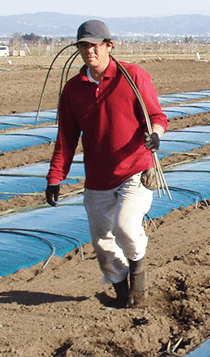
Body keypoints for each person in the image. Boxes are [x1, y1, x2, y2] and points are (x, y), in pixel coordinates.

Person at [46, 20, 168, 309]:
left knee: (126, 228)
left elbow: (157, 116)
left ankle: (138, 274)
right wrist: (55, 177)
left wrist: (155, 135)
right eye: (84, 46)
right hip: (98, 177)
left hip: (135, 169)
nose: (90, 51)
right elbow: (65, 137)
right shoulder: (74, 90)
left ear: (108, 46)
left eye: (95, 45)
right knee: (102, 244)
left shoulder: (133, 76)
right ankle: (122, 295)